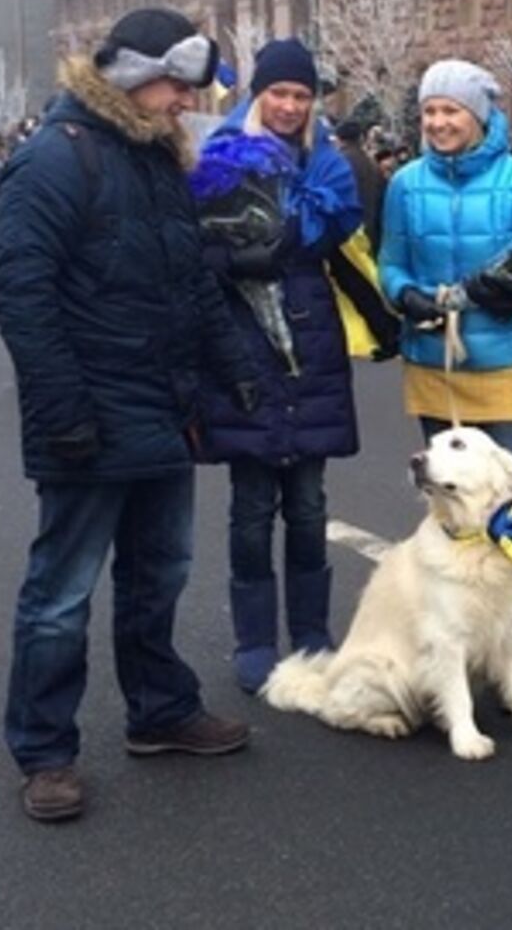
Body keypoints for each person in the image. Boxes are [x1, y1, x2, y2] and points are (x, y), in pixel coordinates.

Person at [0, 7, 256, 823]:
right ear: (135, 77)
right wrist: (63, 412)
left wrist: (237, 369)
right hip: (88, 419)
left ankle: (160, 710)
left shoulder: (155, 158)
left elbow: (191, 280)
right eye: (177, 85)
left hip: (162, 410)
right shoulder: (54, 160)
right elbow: (21, 293)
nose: (187, 102)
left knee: (158, 572)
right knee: (61, 593)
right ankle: (45, 751)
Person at [193, 38, 397, 694]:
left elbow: (331, 235)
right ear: (258, 93)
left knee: (308, 506)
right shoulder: (218, 157)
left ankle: (311, 633)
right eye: (278, 92)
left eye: (301, 95)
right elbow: (193, 249)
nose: (288, 105)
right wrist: (234, 257)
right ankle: (255, 639)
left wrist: (284, 231)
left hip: (309, 344)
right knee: (252, 508)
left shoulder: (326, 164)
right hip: (241, 343)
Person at [378, 59, 512, 698]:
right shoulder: (404, 183)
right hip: (436, 364)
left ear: (479, 115)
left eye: (450, 110)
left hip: (503, 363)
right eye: (429, 111)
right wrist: (405, 296)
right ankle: (459, 641)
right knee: (452, 511)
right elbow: (390, 261)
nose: (438, 122)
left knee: (508, 506)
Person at [335, 117, 385, 250]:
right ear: (360, 138)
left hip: (343, 241)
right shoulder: (373, 165)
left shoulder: (336, 164)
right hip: (368, 236)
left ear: (339, 139)